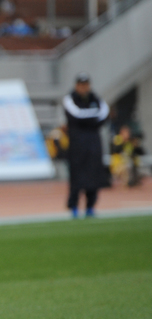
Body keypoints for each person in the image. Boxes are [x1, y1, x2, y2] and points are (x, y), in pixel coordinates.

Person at [62, 72, 109, 217]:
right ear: (76, 85)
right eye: (81, 85)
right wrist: (92, 116)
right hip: (77, 143)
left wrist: (88, 118)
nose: (84, 87)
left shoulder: (96, 98)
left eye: (86, 84)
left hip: (94, 142)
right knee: (77, 175)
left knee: (94, 173)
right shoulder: (70, 99)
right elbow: (76, 115)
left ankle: (90, 206)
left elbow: (104, 114)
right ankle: (74, 206)